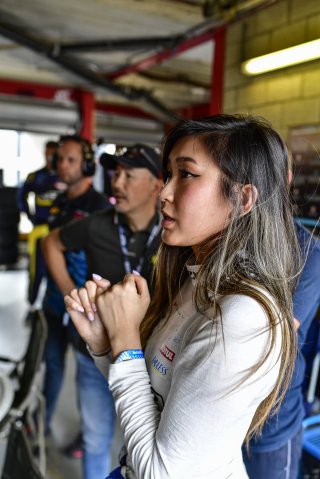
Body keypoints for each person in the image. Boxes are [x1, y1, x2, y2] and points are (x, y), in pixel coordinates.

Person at [64, 114, 301, 479]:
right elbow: (154, 401)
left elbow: (161, 473)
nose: (164, 192)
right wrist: (103, 342)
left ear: (243, 197)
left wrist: (126, 339)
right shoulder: (198, 279)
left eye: (186, 174)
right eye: (169, 174)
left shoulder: (242, 317)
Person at [42, 143, 163, 479]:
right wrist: (71, 293)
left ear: (156, 184)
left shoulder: (172, 234)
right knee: (96, 439)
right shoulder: (97, 224)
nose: (117, 183)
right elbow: (50, 243)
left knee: (142, 452)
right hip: (94, 353)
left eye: (129, 175)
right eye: (116, 173)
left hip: (150, 358)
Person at [41, 135, 110, 436]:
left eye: (71, 160)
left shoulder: (99, 208)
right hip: (54, 303)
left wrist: (75, 295)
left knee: (88, 376)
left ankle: (87, 433)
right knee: (51, 366)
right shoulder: (58, 202)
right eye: (60, 159)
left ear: (86, 165)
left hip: (85, 308)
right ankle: (40, 426)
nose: (63, 166)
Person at [243, 222, 320, 477]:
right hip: (222, 418)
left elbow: (272, 336)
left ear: (286, 179)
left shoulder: (307, 251)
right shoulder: (231, 237)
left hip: (272, 422)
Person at [17, 140, 62, 304]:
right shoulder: (35, 176)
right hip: (40, 230)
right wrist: (30, 216)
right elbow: (21, 197)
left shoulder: (64, 176)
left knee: (60, 271)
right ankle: (31, 303)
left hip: (60, 232)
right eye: (48, 153)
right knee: (36, 270)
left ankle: (57, 306)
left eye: (53, 154)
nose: (50, 157)